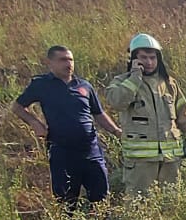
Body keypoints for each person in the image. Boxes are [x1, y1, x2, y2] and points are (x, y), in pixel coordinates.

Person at [13, 45, 121, 207]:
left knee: (101, 200)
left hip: (91, 151)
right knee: (66, 203)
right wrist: (35, 123)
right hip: (62, 153)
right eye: (63, 60)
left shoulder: (84, 86)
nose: (68, 64)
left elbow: (98, 113)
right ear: (50, 63)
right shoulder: (41, 84)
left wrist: (116, 131)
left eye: (70, 60)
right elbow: (17, 107)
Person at [101, 33, 186, 197]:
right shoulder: (121, 82)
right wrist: (135, 77)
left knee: (171, 203)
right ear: (133, 59)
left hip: (170, 160)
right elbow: (117, 102)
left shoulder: (169, 83)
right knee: (139, 206)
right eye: (144, 58)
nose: (149, 62)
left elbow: (183, 114)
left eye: (153, 57)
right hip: (141, 164)